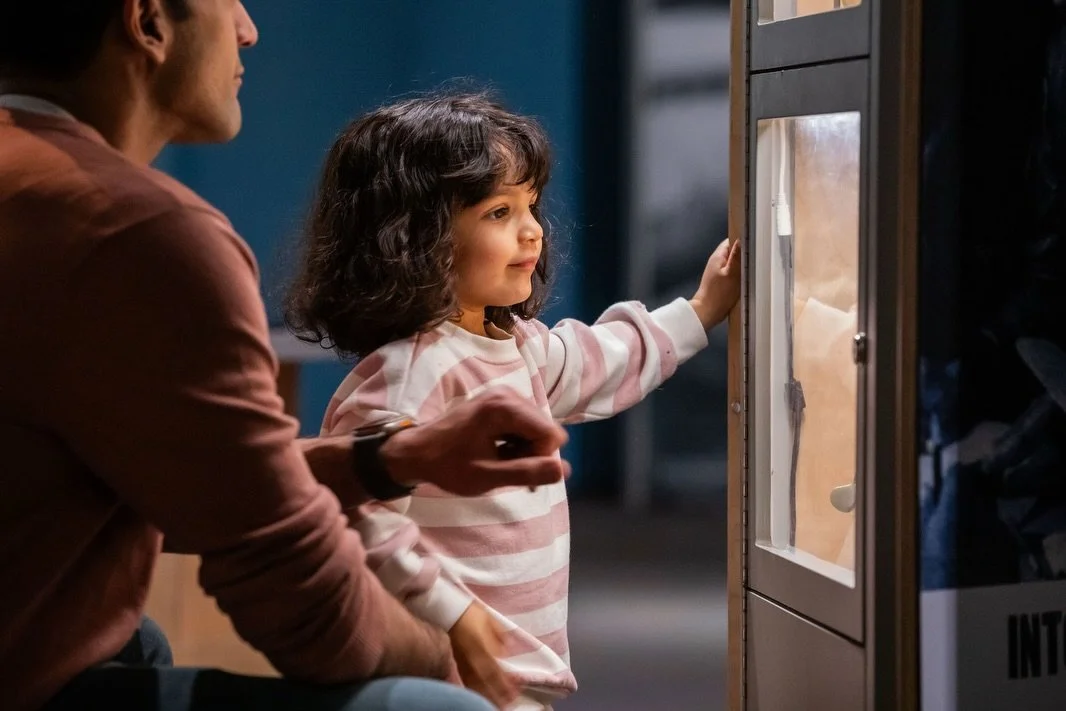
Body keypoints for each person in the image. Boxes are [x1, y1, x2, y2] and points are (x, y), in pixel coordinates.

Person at [0, 3, 571, 710]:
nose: (248, 28)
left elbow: (201, 482)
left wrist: (381, 461)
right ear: (149, 21)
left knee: (134, 640)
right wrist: (449, 653)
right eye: (228, 1)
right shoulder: (141, 233)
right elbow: (282, 571)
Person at [284, 91, 741, 710]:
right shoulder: (408, 374)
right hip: (448, 674)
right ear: (413, 237)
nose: (532, 230)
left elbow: (599, 359)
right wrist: (455, 618)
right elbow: (359, 513)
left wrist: (700, 311)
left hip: (514, 670)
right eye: (499, 212)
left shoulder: (518, 348)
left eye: (530, 205)